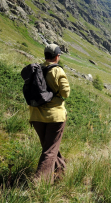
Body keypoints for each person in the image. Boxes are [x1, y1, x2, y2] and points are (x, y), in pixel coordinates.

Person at [29, 44, 70, 184]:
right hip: (54, 117)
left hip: (36, 116)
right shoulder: (57, 71)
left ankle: (60, 175)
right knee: (50, 151)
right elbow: (66, 93)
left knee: (49, 148)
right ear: (57, 56)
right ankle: (39, 182)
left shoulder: (37, 69)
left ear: (45, 55)